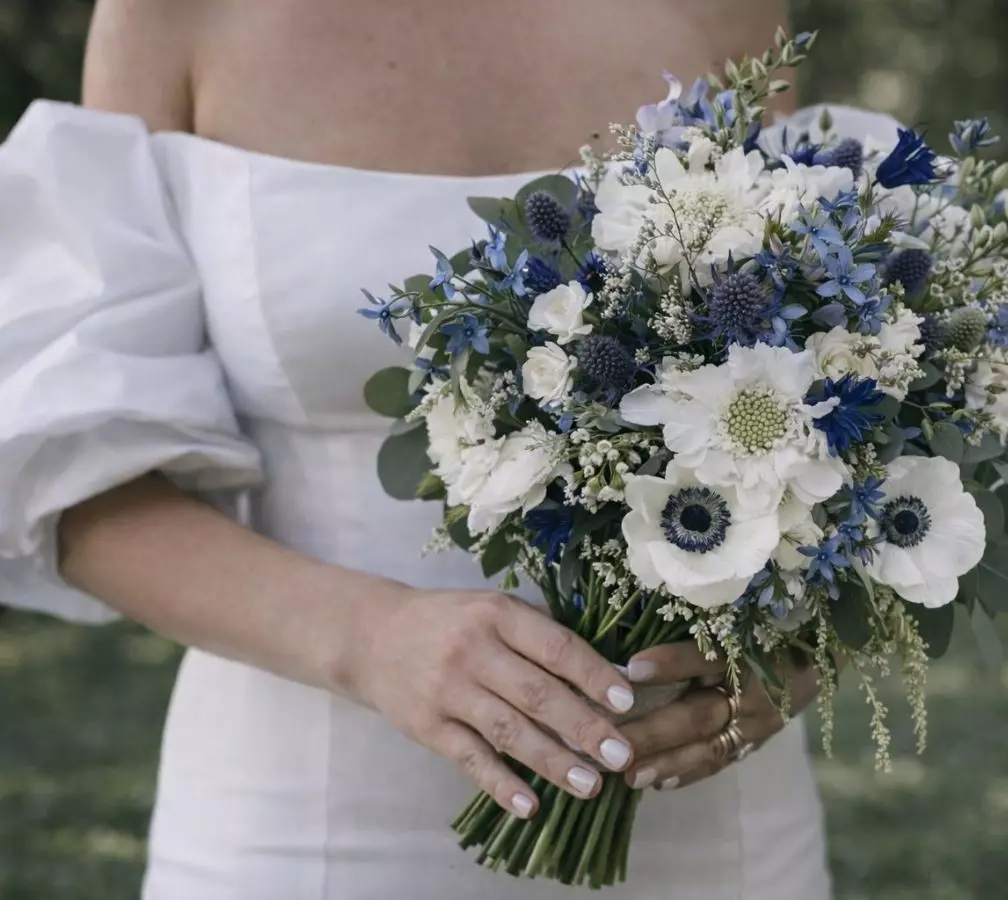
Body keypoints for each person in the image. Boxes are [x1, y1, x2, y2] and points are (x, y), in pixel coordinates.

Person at [0, 1, 838, 897]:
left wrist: (804, 640)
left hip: (705, 821)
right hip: (306, 822)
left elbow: (816, 376)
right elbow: (78, 480)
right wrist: (370, 636)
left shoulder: (725, 10)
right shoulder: (171, 16)